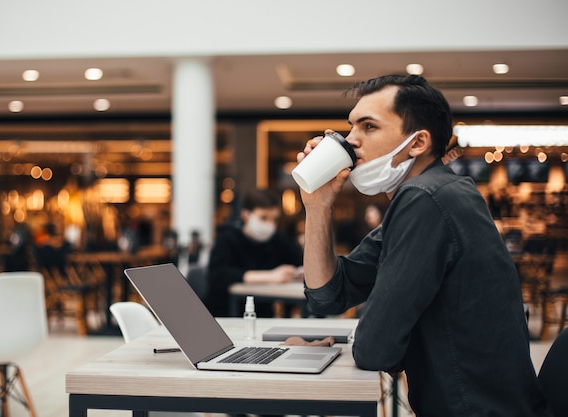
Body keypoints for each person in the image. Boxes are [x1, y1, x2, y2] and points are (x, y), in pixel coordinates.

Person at [295, 74, 550, 416]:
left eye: (368, 127)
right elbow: (329, 294)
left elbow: (375, 350)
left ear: (417, 143)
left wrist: (355, 341)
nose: (349, 140)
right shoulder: (437, 193)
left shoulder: (426, 199)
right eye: (351, 126)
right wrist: (317, 207)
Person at [206, 188, 303, 318]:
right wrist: (269, 276)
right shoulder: (227, 239)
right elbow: (218, 275)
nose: (270, 225)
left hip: (263, 316)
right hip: (224, 314)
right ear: (246, 215)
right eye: (263, 218)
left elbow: (300, 262)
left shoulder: (277, 240)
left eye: (274, 220)